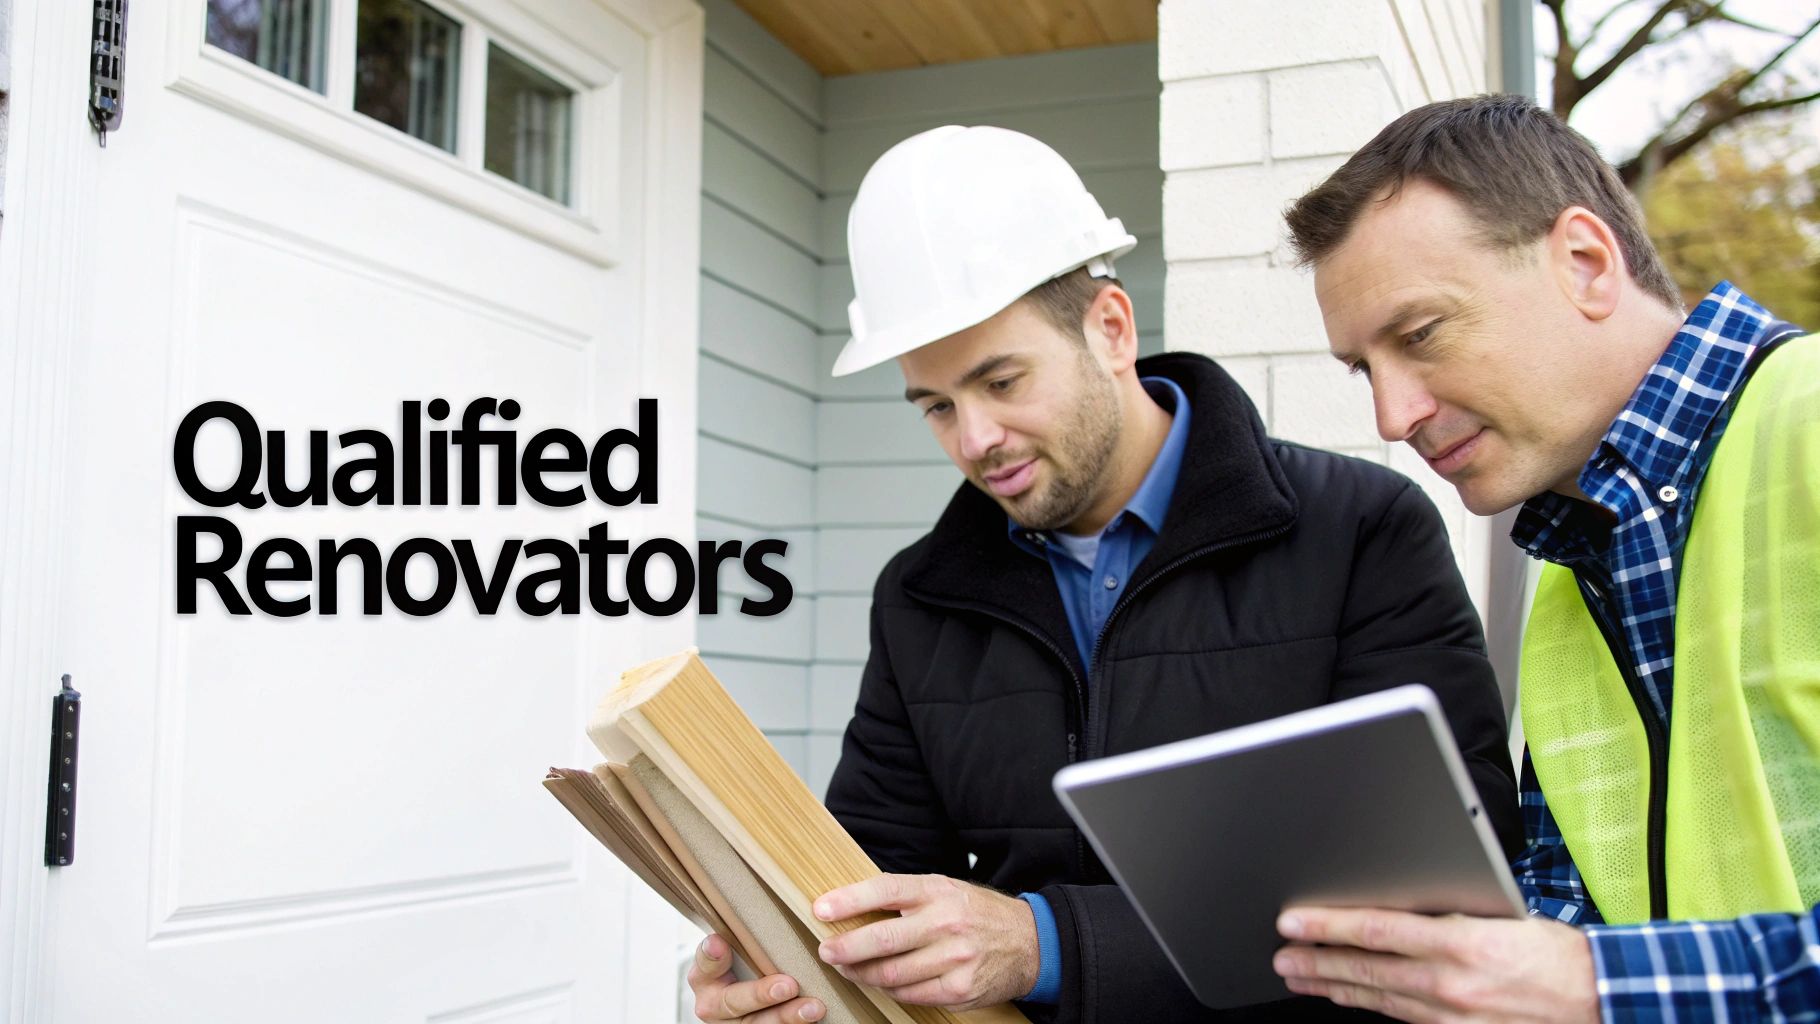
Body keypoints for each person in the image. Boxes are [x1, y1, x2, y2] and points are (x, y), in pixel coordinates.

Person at [689, 125, 1522, 1024]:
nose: (975, 441)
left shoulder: (1360, 532)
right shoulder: (918, 599)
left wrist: (1045, 943)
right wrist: (784, 974)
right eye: (937, 406)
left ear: (1111, 329)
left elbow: (1432, 887)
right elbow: (868, 873)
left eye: (1002, 382)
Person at [1270, 94, 1818, 1022]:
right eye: (1366, 369)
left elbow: (1592, 978)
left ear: (1585, 263)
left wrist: (1594, 987)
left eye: (1421, 335)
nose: (1392, 418)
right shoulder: (1568, 579)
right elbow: (1580, 908)